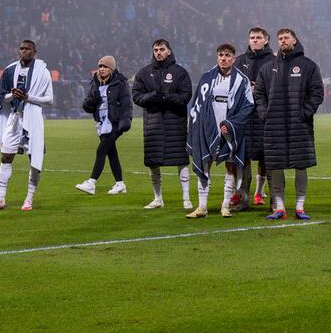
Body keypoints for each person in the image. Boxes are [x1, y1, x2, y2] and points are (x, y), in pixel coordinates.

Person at [254, 28, 324, 220]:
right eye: (280, 38)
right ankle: (280, 207)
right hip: (274, 125)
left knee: (300, 166)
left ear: (295, 40)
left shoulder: (307, 65)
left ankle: (300, 207)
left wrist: (305, 112)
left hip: (298, 125)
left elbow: (317, 92)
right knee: (276, 166)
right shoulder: (268, 68)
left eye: (286, 38)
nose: (283, 41)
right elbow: (258, 93)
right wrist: (264, 113)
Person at [0, 40, 53, 211]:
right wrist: (12, 95)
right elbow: (2, 97)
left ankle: (29, 198)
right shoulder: (10, 70)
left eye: (27, 49)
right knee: (6, 156)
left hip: (33, 118)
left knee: (33, 158)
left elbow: (49, 99)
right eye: (21, 49)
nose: (23, 51)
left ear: (34, 51)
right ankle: (0, 199)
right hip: (14, 118)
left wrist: (28, 97)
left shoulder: (43, 72)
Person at [185, 44, 254, 218]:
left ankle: (225, 205)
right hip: (208, 128)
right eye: (221, 55)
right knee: (204, 163)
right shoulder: (207, 77)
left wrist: (231, 124)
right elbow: (196, 104)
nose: (224, 58)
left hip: (230, 131)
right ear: (217, 57)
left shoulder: (242, 80)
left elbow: (248, 106)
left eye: (228, 55)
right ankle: (202, 207)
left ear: (234, 58)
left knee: (230, 166)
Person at [132, 39, 194, 210]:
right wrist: (153, 95)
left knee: (181, 160)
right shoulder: (144, 73)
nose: (158, 52)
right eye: (156, 50)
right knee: (153, 161)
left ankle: (186, 198)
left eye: (162, 49)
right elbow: (136, 96)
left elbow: (186, 96)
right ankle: (158, 198)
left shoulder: (180, 72)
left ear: (169, 51)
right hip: (154, 124)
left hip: (176, 122)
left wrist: (166, 97)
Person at [75, 56, 133, 196]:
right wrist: (92, 102)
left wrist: (126, 120)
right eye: (100, 66)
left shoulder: (120, 83)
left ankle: (91, 183)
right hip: (101, 124)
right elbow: (86, 105)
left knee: (101, 151)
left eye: (105, 67)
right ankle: (120, 184)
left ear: (111, 69)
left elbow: (126, 103)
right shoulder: (95, 83)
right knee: (111, 153)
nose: (101, 69)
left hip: (115, 123)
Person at [233, 26, 276, 208]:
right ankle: (243, 199)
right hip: (245, 117)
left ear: (266, 40)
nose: (255, 40)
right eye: (252, 37)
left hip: (266, 115)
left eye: (259, 37)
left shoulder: (275, 61)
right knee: (243, 158)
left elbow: (278, 85)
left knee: (270, 158)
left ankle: (275, 200)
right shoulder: (240, 61)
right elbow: (232, 86)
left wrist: (258, 89)